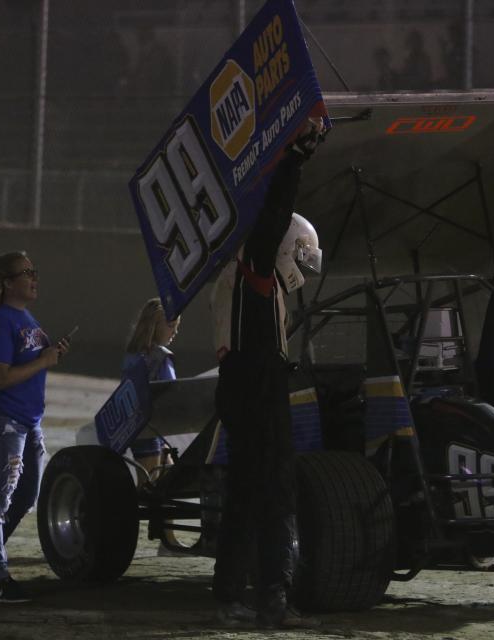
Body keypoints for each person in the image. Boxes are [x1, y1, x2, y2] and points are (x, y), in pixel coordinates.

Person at [210, 118, 324, 628]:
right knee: (261, 490)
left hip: (251, 382)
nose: (302, 263)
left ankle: (262, 595)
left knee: (264, 491)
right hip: (251, 382)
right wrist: (294, 158)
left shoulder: (258, 281)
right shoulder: (251, 274)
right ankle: (249, 594)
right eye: (298, 252)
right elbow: (273, 217)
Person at [0, 251, 69, 603]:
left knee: (27, 494)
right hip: (3, 420)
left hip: (27, 422)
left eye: (35, 271)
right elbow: (2, 377)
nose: (35, 277)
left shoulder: (26, 317)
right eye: (27, 272)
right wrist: (43, 361)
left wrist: (48, 355)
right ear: (8, 282)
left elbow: (29, 362)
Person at [123, 297, 182, 554]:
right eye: (171, 325)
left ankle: (166, 539)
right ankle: (159, 539)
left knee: (163, 483)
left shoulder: (133, 356)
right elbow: (171, 393)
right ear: (155, 326)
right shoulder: (160, 358)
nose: (175, 331)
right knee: (152, 488)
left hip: (140, 431)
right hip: (154, 434)